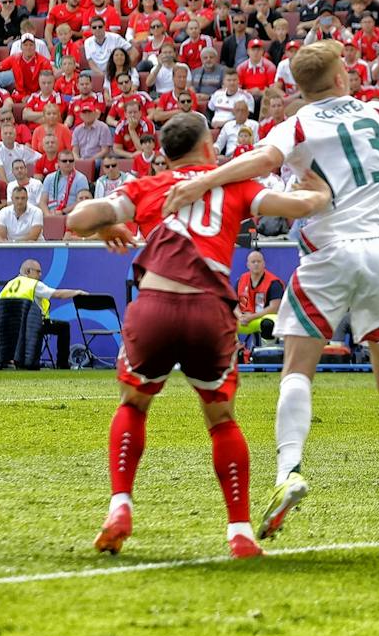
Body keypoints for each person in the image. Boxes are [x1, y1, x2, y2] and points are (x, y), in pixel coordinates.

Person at [163, 44, 379, 554]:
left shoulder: (297, 125)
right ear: (342, 76)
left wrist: (205, 179)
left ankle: (290, 470)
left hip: (328, 253)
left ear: (301, 87)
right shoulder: (369, 109)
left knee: (297, 368)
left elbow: (259, 160)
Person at [64, 112, 330, 559]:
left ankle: (120, 507)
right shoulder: (233, 184)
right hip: (209, 310)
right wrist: (320, 188)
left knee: (134, 404)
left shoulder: (150, 186)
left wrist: (107, 225)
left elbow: (77, 217)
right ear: (208, 146)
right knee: (221, 419)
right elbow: (299, 206)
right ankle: (240, 532)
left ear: (166, 155)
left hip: (155, 306)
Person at [235, 250, 283, 340]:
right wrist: (240, 316)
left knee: (268, 323)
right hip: (244, 319)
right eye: (253, 262)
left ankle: (268, 350)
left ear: (264, 263)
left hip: (262, 318)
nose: (256, 264)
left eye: (259, 261)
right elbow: (233, 303)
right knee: (223, 322)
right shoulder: (241, 280)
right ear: (248, 265)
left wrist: (252, 317)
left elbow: (274, 308)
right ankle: (234, 350)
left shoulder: (273, 282)